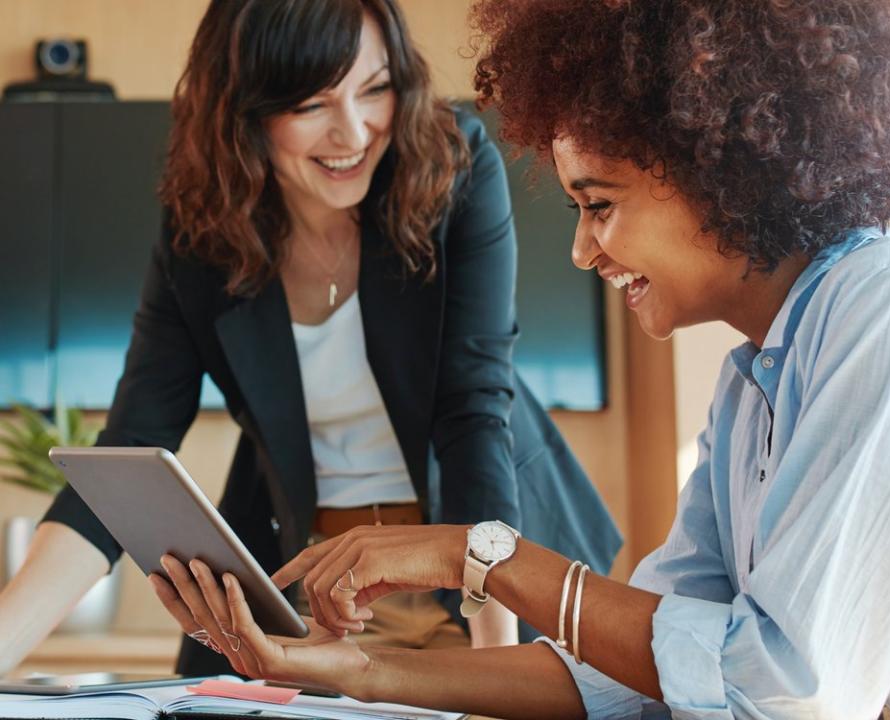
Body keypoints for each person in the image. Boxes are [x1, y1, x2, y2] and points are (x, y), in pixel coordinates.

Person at [147, 0, 890, 718]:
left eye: (597, 205)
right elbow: (644, 673)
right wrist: (359, 671)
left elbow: (786, 690)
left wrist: (480, 556)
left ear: (724, 170)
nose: (580, 249)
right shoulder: (750, 383)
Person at [0, 0, 623, 679]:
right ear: (245, 110)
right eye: (311, 104)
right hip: (320, 591)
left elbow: (472, 410)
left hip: (479, 574)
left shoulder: (452, 167)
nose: (354, 131)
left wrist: (500, 658)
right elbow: (125, 456)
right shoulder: (201, 233)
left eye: (375, 88)